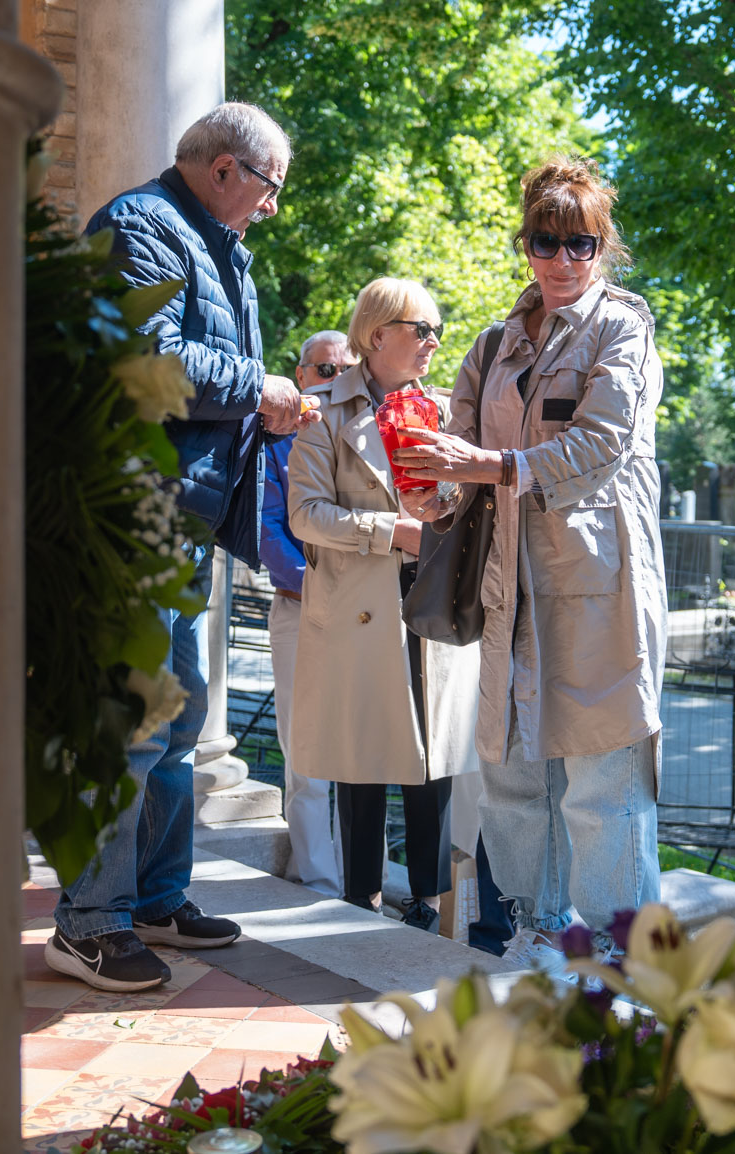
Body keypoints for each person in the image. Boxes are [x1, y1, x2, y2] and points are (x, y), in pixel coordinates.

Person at [45, 102, 321, 992]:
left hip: (180, 520)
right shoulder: (140, 226)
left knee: (176, 724)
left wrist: (264, 411)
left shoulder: (214, 244)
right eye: (270, 186)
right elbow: (145, 363)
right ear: (225, 169)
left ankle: (155, 899)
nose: (272, 207)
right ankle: (88, 923)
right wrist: (259, 386)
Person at [395, 157, 666, 968]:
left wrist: (487, 467)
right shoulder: (493, 343)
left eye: (579, 243)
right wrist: (431, 493)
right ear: (525, 245)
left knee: (601, 783)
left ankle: (621, 959)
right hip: (506, 586)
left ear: (601, 247)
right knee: (513, 779)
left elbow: (600, 445)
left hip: (599, 587)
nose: (560, 260)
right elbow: (458, 456)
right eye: (544, 242)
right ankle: (541, 934)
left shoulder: (622, 329)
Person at [287, 278, 482, 931]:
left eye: (437, 331)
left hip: (433, 601)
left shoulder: (446, 411)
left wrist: (446, 505)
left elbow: (469, 505)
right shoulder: (322, 412)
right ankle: (360, 897)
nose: (434, 342)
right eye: (421, 329)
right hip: (359, 607)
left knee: (434, 759)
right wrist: (390, 531)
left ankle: (427, 903)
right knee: (361, 759)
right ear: (377, 335)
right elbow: (305, 515)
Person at [261, 330, 359, 897]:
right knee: (304, 752)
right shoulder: (272, 441)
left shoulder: (370, 434)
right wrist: (321, 585)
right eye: (324, 370)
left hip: (364, 617)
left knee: (360, 751)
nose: (334, 380)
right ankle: (320, 883)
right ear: (300, 376)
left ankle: (359, 879)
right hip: (300, 611)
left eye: (344, 369)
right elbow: (268, 530)